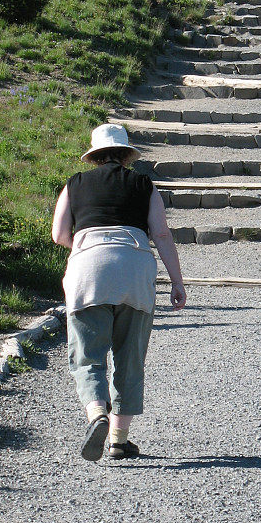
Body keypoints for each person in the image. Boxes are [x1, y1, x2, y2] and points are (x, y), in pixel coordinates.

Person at [52, 123, 186, 462]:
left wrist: (86, 247)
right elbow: (162, 234)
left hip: (88, 271)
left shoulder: (74, 184)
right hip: (134, 270)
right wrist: (177, 282)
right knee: (129, 358)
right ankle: (117, 440)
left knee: (88, 354)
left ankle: (97, 411)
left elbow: (58, 234)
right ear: (127, 155)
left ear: (94, 157)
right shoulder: (144, 184)